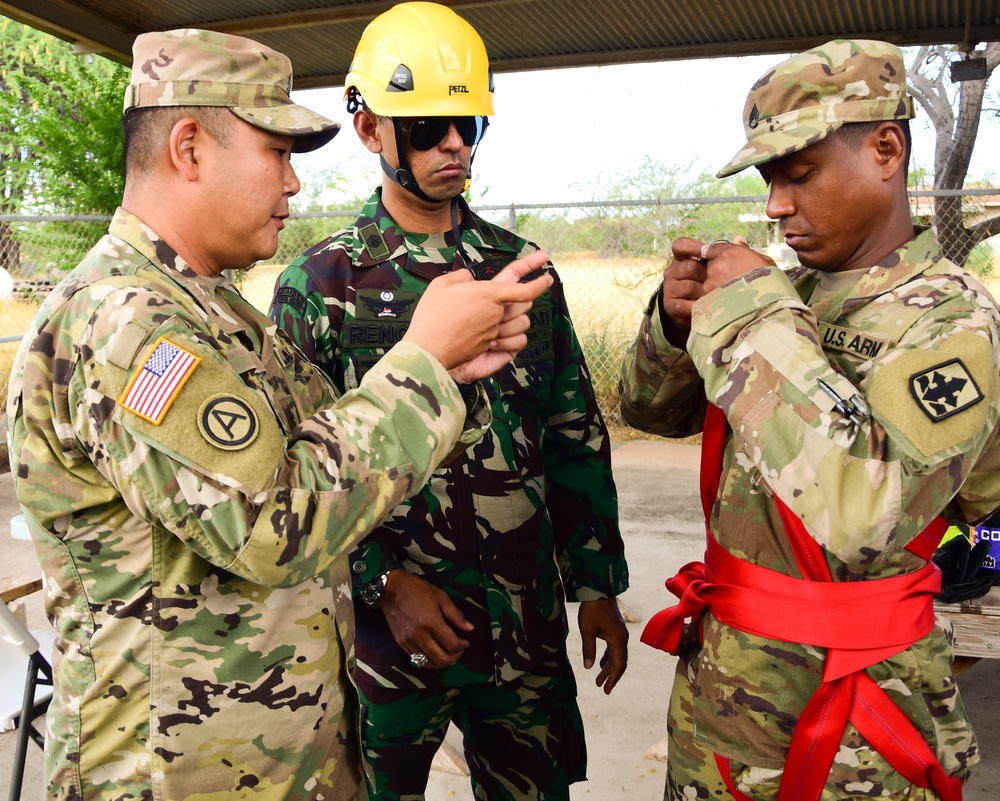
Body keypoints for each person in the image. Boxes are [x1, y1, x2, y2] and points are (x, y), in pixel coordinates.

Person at [7, 27, 554, 801]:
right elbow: (275, 520)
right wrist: (423, 365)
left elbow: (333, 453)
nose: (294, 184)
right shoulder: (125, 324)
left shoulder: (211, 310)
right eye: (277, 153)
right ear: (189, 148)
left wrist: (450, 376)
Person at [619, 39, 1000, 801]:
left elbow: (862, 508)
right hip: (724, 696)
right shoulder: (792, 294)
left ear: (886, 149)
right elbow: (650, 412)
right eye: (769, 179)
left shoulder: (953, 318)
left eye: (799, 174)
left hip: (851, 718)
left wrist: (755, 315)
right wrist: (674, 318)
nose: (774, 205)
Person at [269, 3, 629, 798]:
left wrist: (597, 584)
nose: (455, 145)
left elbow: (574, 434)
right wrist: (382, 585)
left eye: (468, 123)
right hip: (393, 641)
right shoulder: (320, 288)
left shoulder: (521, 269)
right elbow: (294, 476)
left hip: (525, 626)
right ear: (369, 131)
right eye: (427, 126)